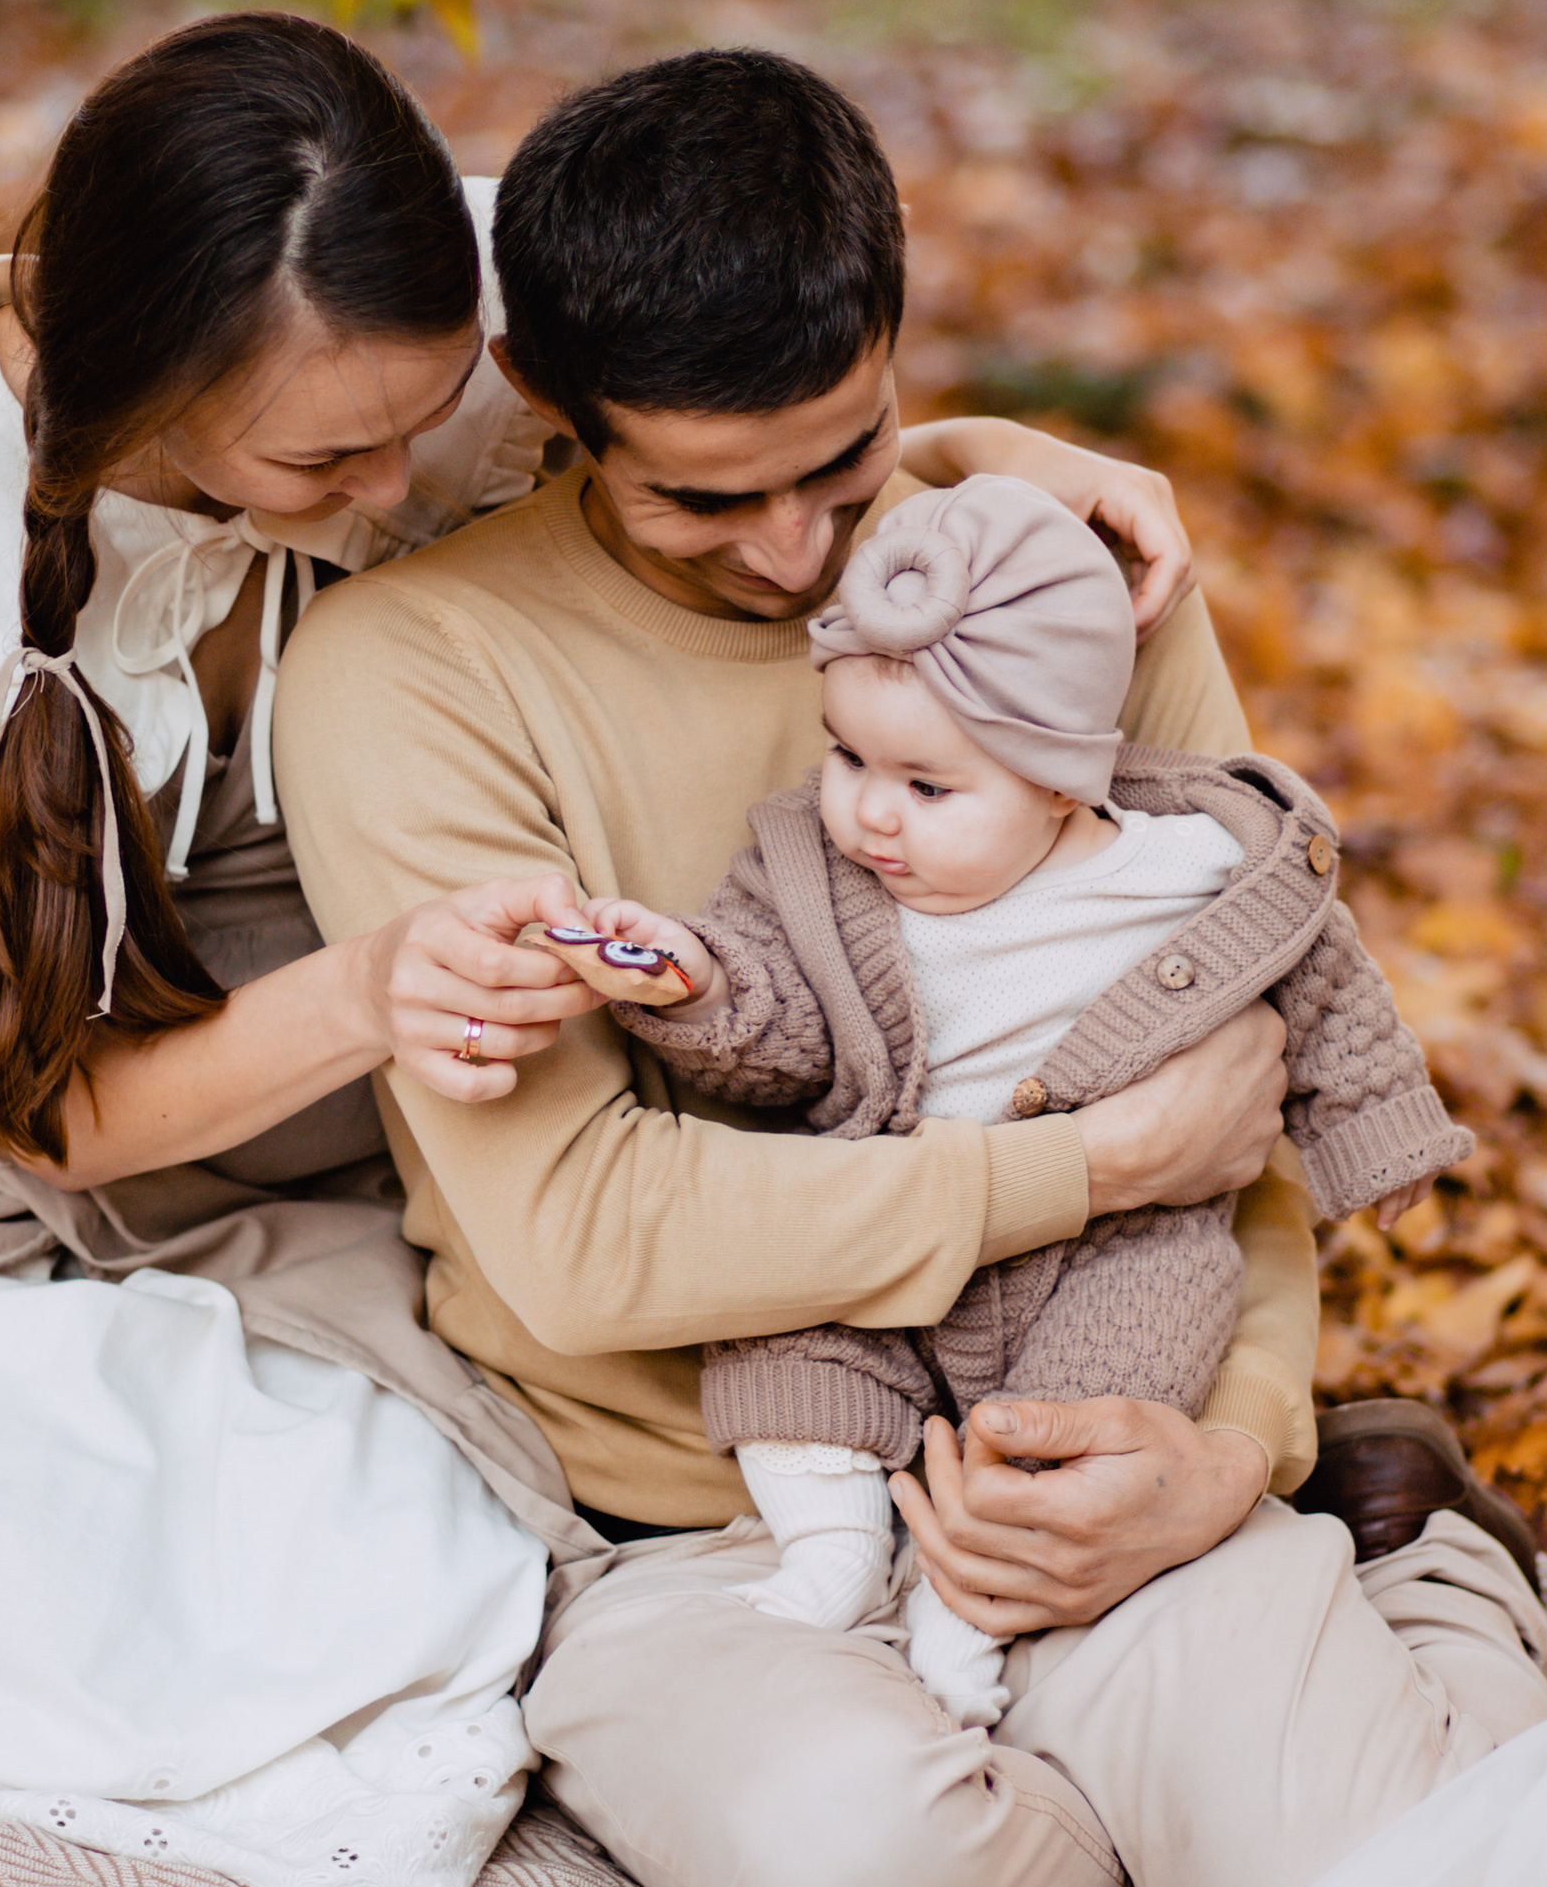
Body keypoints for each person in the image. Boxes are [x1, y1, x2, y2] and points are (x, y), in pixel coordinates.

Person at [0, 14, 1178, 1887]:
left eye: (430, 421)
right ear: (140, 388)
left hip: (382, 1135)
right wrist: (372, 988)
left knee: (392, 1556)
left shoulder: (428, 300)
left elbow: (746, 433)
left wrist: (998, 457)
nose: (401, 492)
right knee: (39, 1533)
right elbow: (37, 1116)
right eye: (329, 458)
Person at [274, 46, 1547, 1887]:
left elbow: (1242, 1083)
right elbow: (587, 1235)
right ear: (546, 402)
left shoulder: (1052, 577)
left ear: (894, 344)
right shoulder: (411, 678)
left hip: (1087, 1428)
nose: (798, 559)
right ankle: (1207, 1755)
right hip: (690, 1500)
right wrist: (1081, 1168)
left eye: (845, 465)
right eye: (708, 496)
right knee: (857, 1883)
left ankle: (1404, 1574)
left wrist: (1224, 1452)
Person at [563, 473, 1483, 1731]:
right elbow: (775, 1038)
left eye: (928, 788)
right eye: (845, 756)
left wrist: (1375, 1131)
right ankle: (828, 1544)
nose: (870, 812)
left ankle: (974, 1595)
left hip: (1115, 1243)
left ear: (1060, 782)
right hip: (889, 1218)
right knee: (784, 1347)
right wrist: (695, 980)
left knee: (1126, 1361)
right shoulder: (818, 882)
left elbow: (1324, 989)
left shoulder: (1193, 870)